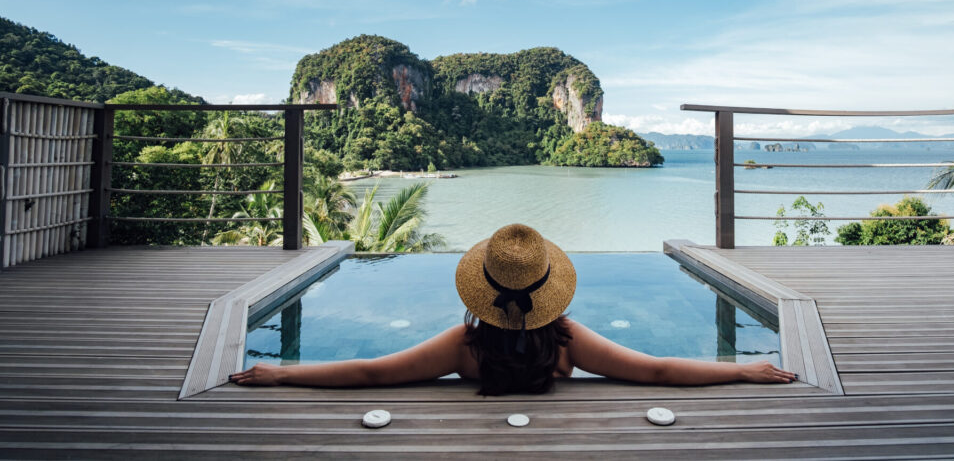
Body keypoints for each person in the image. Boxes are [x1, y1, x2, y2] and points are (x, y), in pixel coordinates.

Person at [229, 224, 797, 393]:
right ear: (548, 286)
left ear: (483, 287)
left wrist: (282, 373)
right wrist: (742, 369)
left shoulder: (464, 347)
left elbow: (374, 372)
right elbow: (656, 369)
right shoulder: (567, 340)